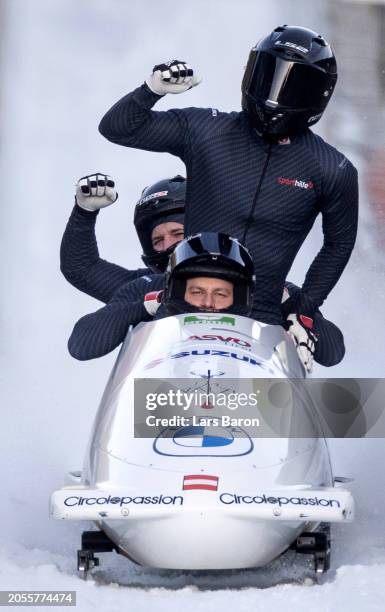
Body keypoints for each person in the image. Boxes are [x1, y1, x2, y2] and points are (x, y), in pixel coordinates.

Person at [98, 25, 358, 358]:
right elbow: (117, 128)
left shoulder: (331, 169)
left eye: (292, 86)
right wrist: (151, 90)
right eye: (269, 76)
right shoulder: (206, 130)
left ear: (318, 95)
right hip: (184, 304)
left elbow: (338, 243)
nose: (275, 96)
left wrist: (304, 308)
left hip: (262, 315)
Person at [68, 233, 344, 372]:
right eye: (197, 292)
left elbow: (333, 354)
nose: (208, 303)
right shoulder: (146, 290)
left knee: (360, 410)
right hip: (159, 404)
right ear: (176, 291)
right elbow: (81, 346)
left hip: (255, 402)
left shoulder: (277, 295)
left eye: (221, 294)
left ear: (241, 296)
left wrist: (302, 314)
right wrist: (143, 308)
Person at [60, 173, 185, 303]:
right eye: (158, 240)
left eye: (177, 234)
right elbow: (80, 269)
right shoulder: (144, 287)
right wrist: (84, 212)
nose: (167, 245)